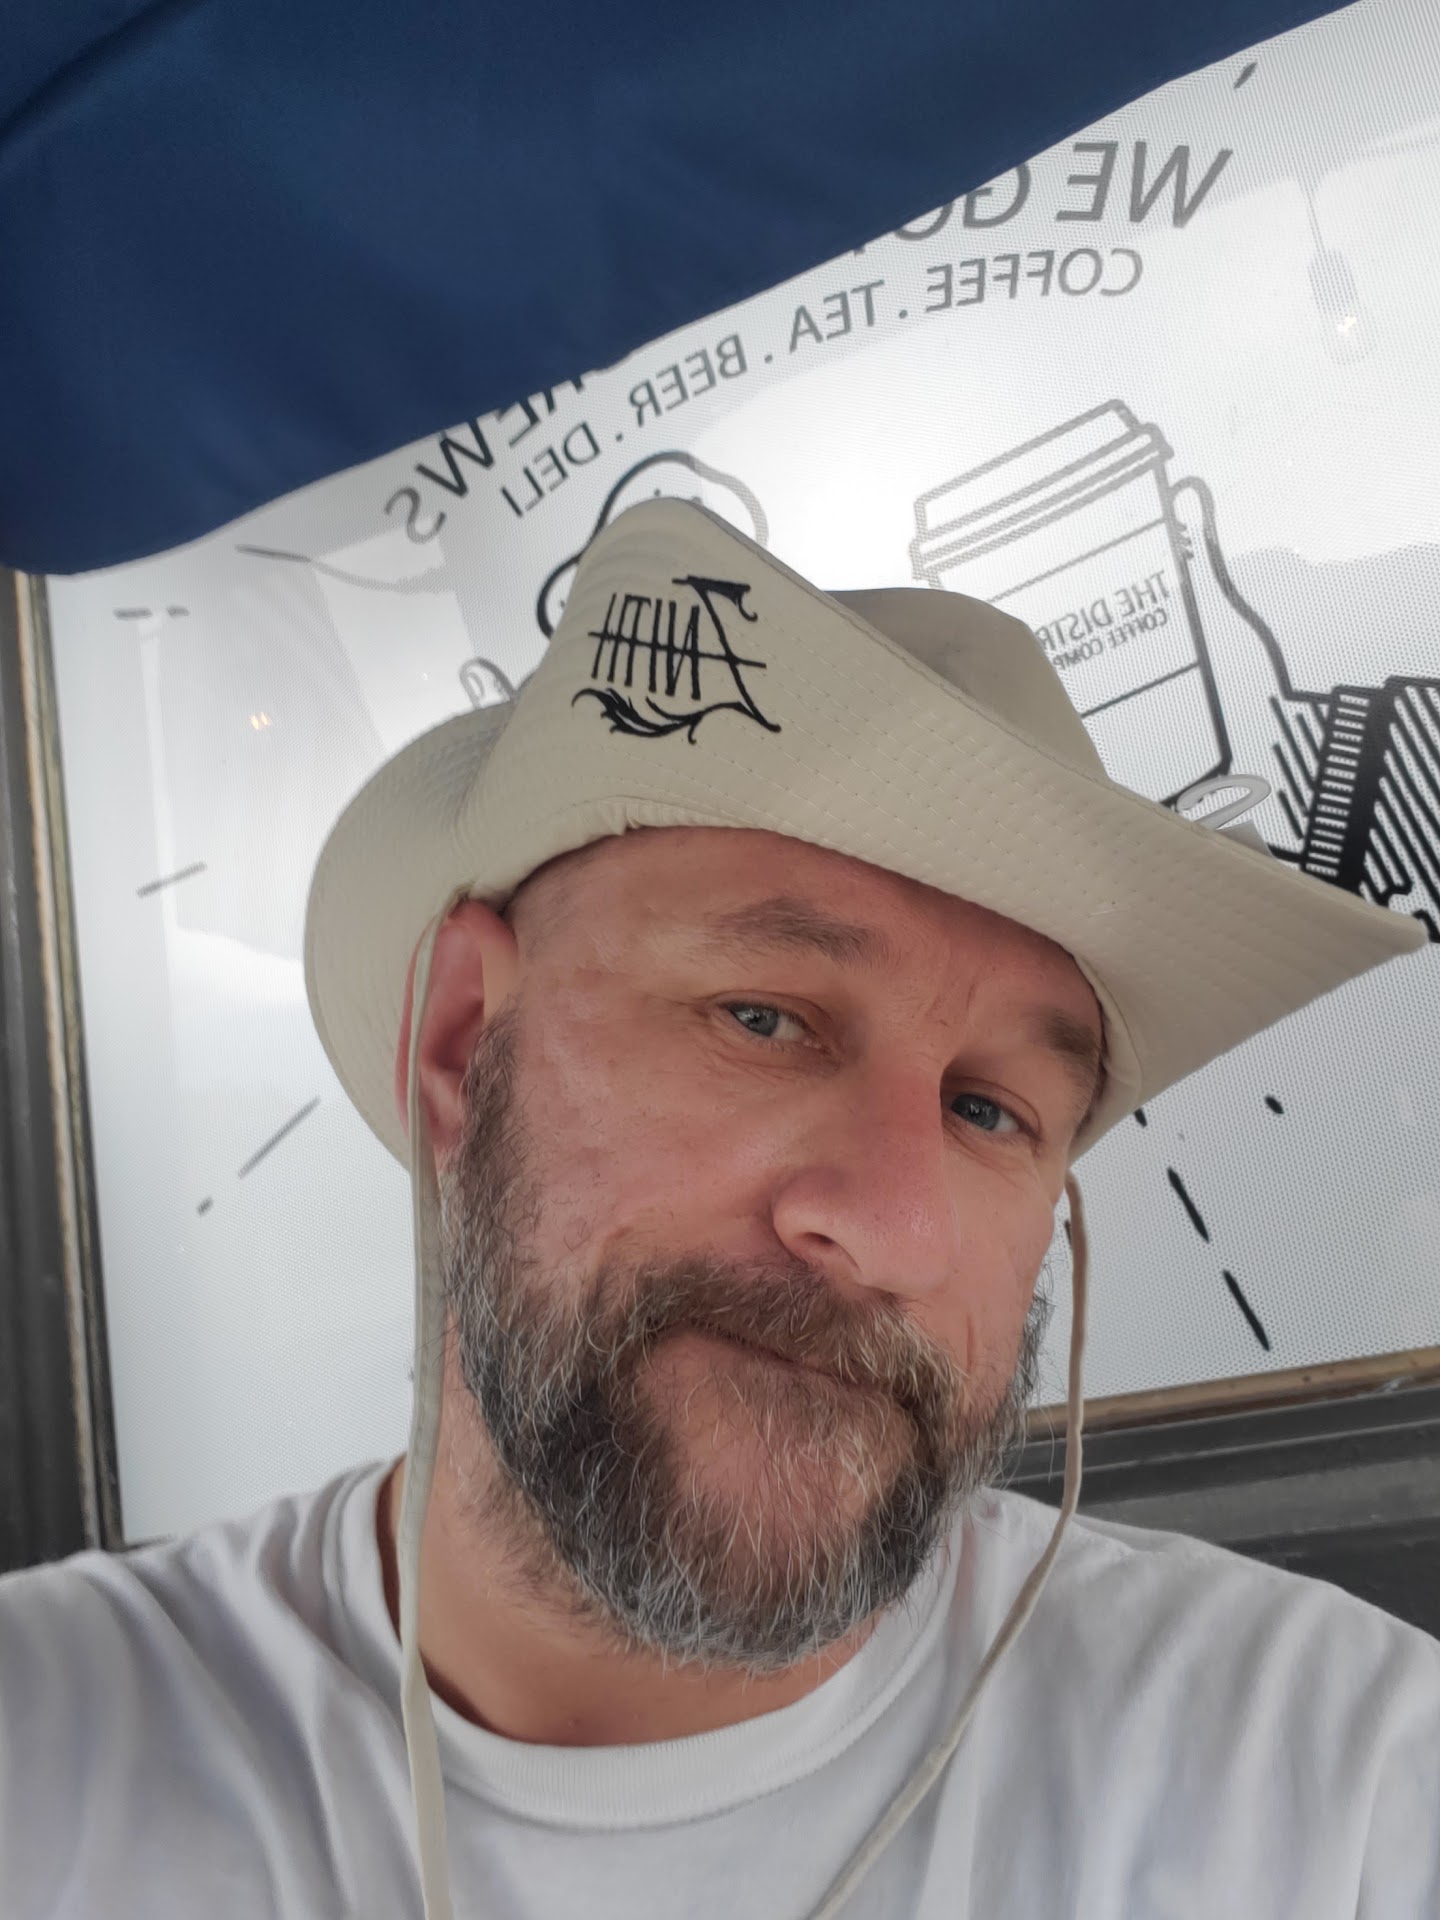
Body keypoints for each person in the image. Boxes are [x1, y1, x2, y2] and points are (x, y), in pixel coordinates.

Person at [1, 498, 1437, 1920]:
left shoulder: (1339, 1786)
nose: (895, 1232)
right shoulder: (54, 1753)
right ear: (459, 1046)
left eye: (990, 1111)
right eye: (764, 1018)